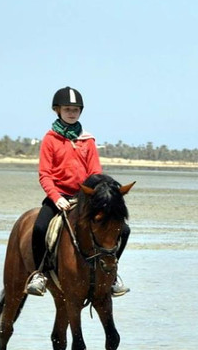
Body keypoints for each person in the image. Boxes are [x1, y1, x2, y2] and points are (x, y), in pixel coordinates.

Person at [26, 86, 129, 297]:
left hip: (86, 198)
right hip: (59, 197)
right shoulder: (50, 139)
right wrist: (56, 198)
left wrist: (97, 196)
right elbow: (45, 174)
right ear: (58, 110)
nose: (71, 113)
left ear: (80, 111)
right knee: (39, 228)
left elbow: (95, 173)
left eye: (75, 109)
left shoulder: (88, 140)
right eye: (67, 109)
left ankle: (112, 274)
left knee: (124, 230)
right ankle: (40, 274)